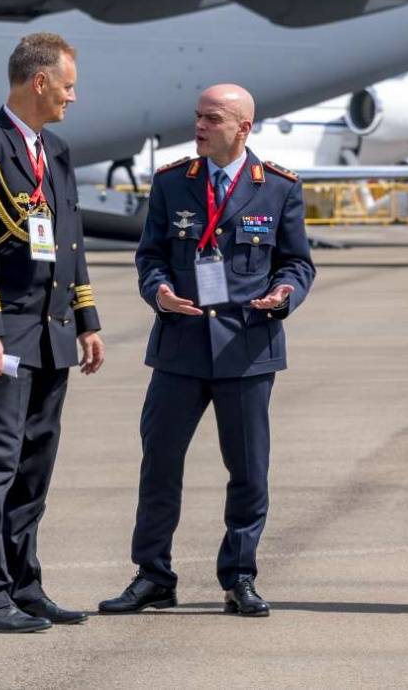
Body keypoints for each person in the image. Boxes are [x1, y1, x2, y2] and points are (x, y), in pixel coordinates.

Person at [99, 84, 315, 618]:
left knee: (248, 470)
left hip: (246, 348)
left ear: (243, 128)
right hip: (180, 346)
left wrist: (286, 293)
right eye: (197, 116)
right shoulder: (173, 183)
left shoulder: (279, 188)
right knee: (160, 465)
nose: (199, 126)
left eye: (212, 118)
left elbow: (297, 263)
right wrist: (158, 292)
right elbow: (150, 255)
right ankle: (153, 575)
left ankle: (239, 576)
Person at [0, 32, 106, 633]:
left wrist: (86, 320)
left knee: (35, 467)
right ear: (39, 82)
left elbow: (70, 242)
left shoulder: (56, 151)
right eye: (67, 85)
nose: (73, 96)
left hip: (52, 333)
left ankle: (23, 584)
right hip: (4, 337)